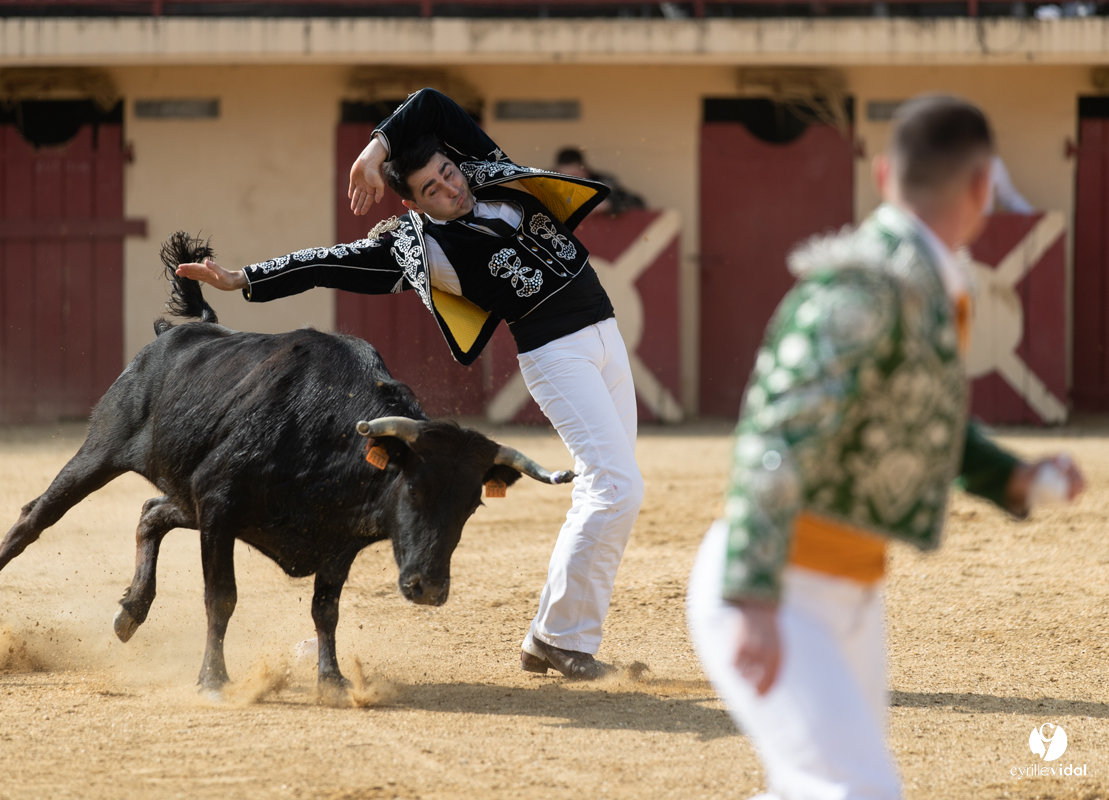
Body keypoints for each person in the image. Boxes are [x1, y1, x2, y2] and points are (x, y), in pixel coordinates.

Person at [684, 94, 1084, 800]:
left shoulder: (927, 281)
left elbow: (926, 422)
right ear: (984, 186)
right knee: (856, 791)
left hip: (849, 592)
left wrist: (1012, 481)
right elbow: (777, 427)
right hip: (781, 588)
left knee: (814, 786)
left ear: (880, 176)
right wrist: (753, 592)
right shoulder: (876, 278)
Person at [175, 88, 643, 681]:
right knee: (615, 484)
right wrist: (246, 278)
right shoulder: (428, 250)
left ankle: (557, 636)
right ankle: (559, 639)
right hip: (557, 354)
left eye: (447, 173)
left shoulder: (483, 170)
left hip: (605, 336)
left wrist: (375, 149)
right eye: (433, 191)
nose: (451, 188)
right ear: (417, 206)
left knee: (618, 489)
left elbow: (432, 103)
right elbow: (332, 261)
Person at [554, 148, 646, 216]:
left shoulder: (603, 181)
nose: (569, 180)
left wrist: (607, 205)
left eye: (574, 174)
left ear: (585, 171)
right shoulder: (546, 181)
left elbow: (637, 202)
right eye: (563, 176)